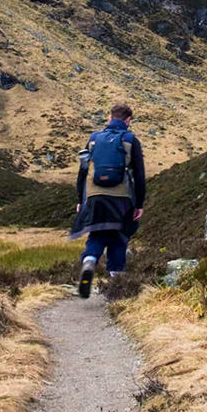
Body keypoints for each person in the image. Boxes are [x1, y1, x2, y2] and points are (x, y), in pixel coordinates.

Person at [69, 102, 146, 298]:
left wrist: (81, 199)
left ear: (110, 118)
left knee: (96, 234)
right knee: (119, 237)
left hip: (95, 196)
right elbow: (139, 174)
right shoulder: (130, 139)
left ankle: (89, 260)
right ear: (128, 121)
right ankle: (116, 281)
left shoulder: (94, 139)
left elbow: (83, 171)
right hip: (122, 198)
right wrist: (139, 204)